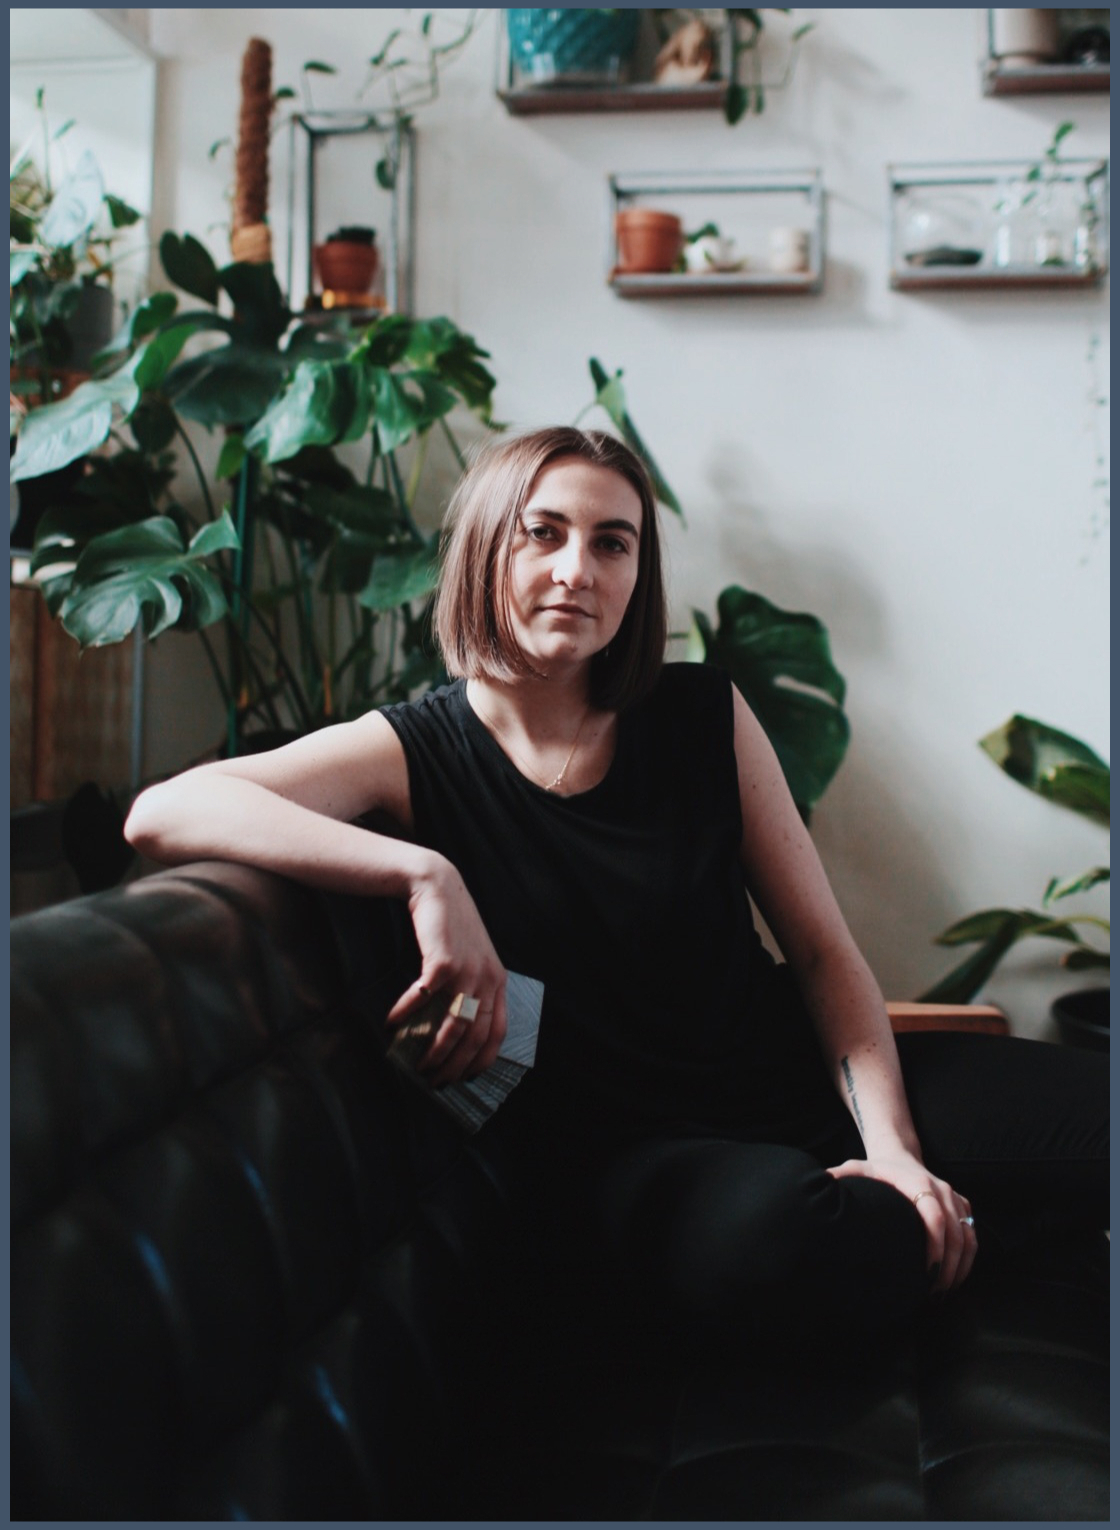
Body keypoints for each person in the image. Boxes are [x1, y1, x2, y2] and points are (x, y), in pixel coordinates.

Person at [125, 425, 1107, 1352]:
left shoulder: (701, 712)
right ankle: (966, 1234)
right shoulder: (410, 751)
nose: (577, 570)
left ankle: (954, 1230)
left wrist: (890, 1150)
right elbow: (165, 811)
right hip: (640, 1164)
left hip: (802, 1084)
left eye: (612, 543)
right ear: (486, 550)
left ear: (638, 575)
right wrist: (424, 872)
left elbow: (820, 953)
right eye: (543, 533)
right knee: (775, 1240)